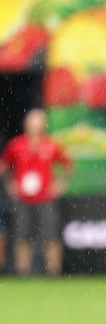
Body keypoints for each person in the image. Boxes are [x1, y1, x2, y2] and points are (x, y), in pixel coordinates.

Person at [0, 108, 72, 275]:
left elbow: (68, 165)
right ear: (26, 125)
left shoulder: (51, 145)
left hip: (46, 198)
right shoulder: (17, 145)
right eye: (32, 124)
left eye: (39, 124)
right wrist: (11, 185)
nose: (35, 127)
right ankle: (23, 271)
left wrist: (60, 185)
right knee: (22, 235)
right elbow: (4, 166)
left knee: (51, 234)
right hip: (23, 199)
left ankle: (53, 270)